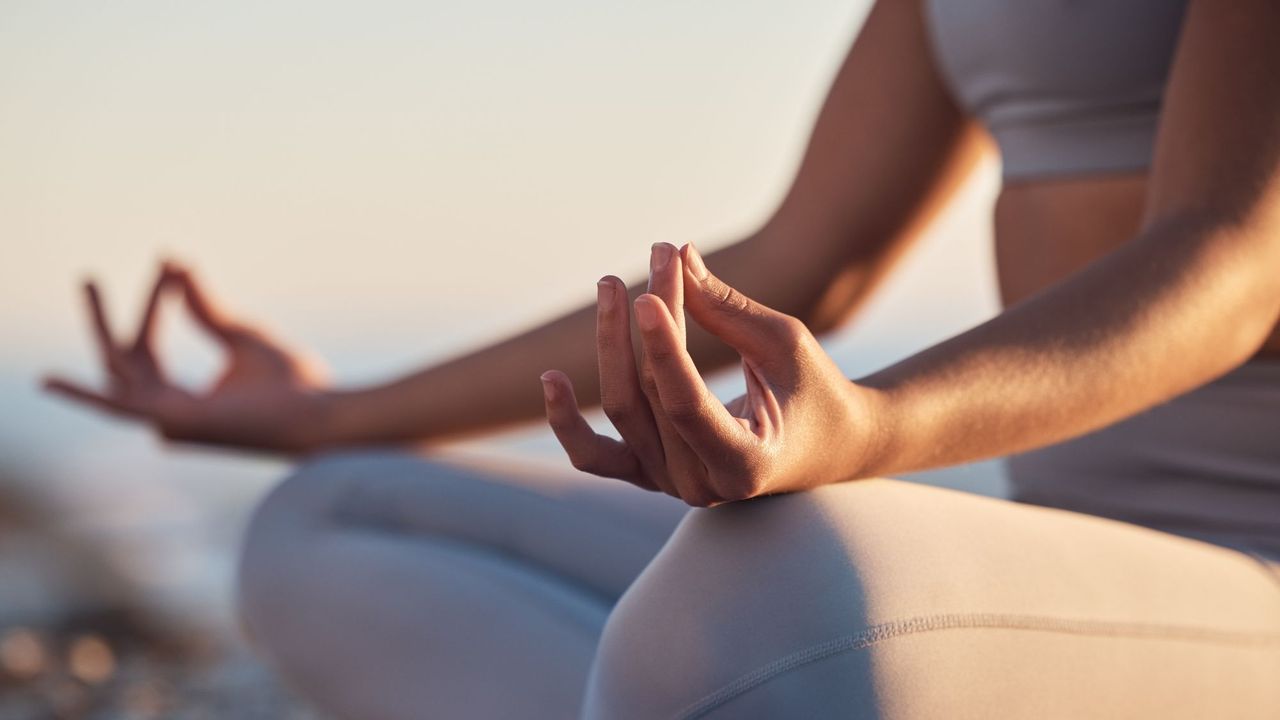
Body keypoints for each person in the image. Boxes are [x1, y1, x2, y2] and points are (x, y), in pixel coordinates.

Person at [46, 0, 1280, 717]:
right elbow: (803, 255)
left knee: (766, 585)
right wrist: (331, 413)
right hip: (1088, 572)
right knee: (328, 520)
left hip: (1252, 590)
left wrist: (865, 430)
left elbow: (1223, 262)